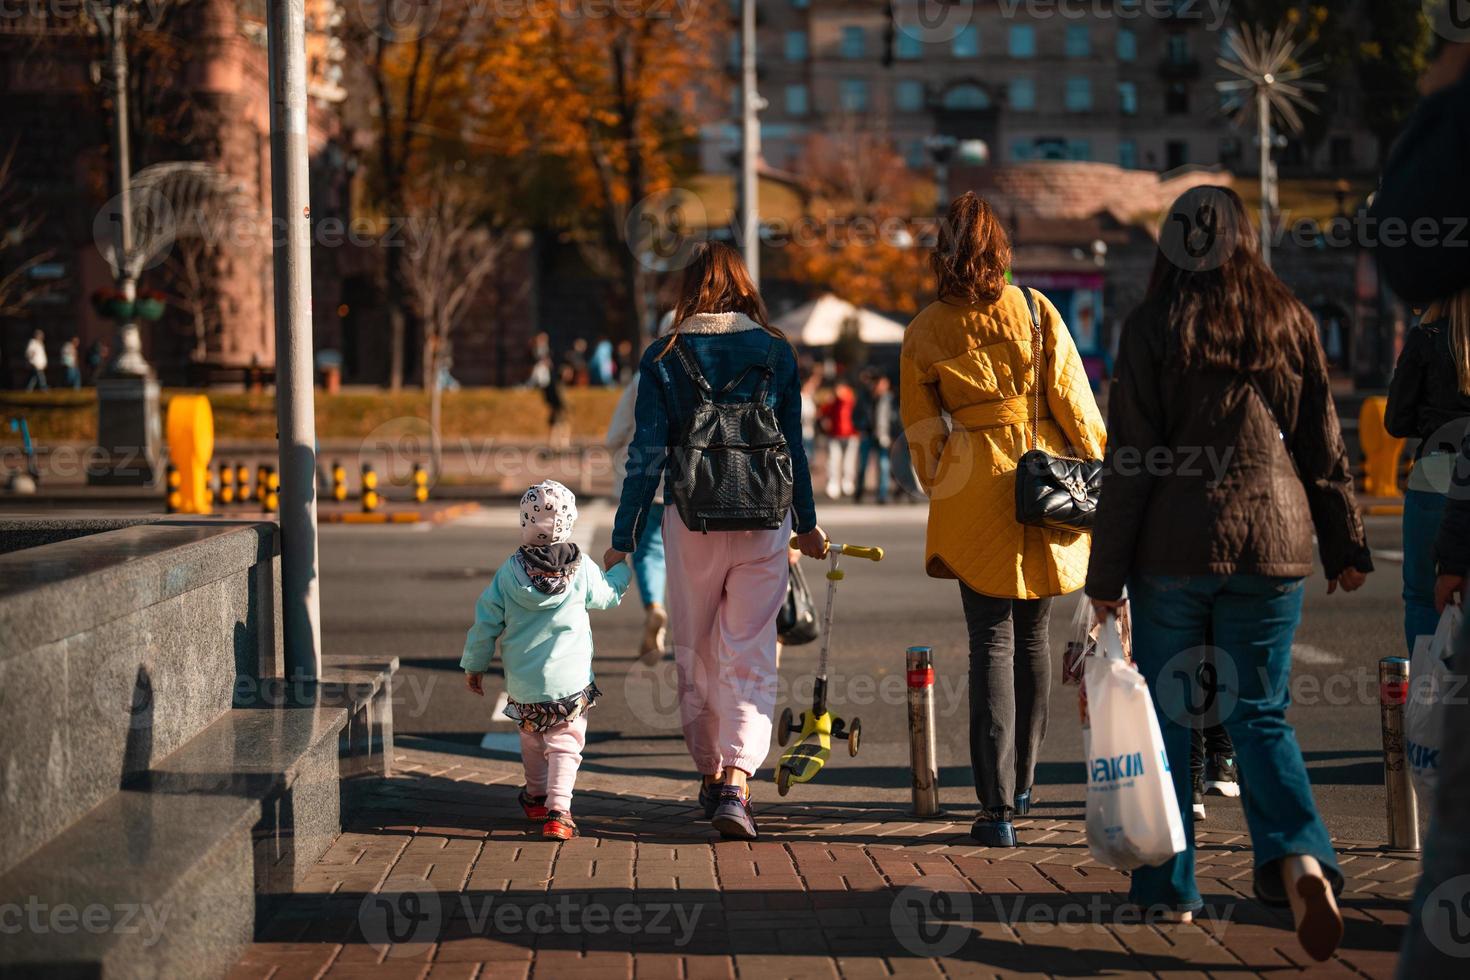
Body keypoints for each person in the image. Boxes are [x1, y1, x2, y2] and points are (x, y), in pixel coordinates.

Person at [1085, 186, 1370, 958]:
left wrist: (1103, 580)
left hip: (1173, 551)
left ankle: (1167, 889)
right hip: (1274, 546)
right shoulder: (1287, 319)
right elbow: (1323, 443)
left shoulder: (1151, 327)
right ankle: (1301, 857)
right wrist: (1344, 545)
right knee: (1261, 713)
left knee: (1174, 720)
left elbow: (1130, 464)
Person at [900, 191, 1106, 846]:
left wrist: (946, 479)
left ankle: (994, 812)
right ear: (999, 251)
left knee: (987, 639)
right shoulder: (1037, 312)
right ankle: (1024, 783)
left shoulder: (926, 329)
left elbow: (922, 435)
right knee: (1033, 639)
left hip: (973, 491)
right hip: (1043, 488)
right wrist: (1098, 470)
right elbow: (1076, 403)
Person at [606, 241, 825, 841]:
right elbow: (794, 448)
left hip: (691, 521)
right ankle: (736, 780)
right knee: (751, 651)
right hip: (765, 521)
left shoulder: (665, 354)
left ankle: (710, 773)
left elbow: (645, 453)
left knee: (696, 650)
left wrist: (624, 536)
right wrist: (805, 523)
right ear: (743, 285)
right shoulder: (775, 351)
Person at [1369, 38, 1470, 977]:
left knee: (1425, 617)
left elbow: (1399, 418)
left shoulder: (1438, 324)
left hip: (1441, 474)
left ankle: (1419, 746)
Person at [461, 481, 631, 841]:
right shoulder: (581, 568)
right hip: (569, 683)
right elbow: (607, 596)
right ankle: (559, 810)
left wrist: (475, 664)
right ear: (569, 523)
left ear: (525, 522)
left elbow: (486, 621)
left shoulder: (509, 573)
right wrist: (620, 571)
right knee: (566, 743)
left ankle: (536, 796)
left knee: (532, 738)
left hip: (524, 684)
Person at [1386, 292, 1470, 652]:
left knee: (1421, 595)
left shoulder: (1426, 338)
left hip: (1434, 470)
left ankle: (1428, 689)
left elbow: (1395, 420)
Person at [607, 312, 675, 664]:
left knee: (648, 550)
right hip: (693, 485)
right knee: (689, 557)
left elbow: (616, 433)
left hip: (649, 480)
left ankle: (654, 606)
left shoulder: (643, 376)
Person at [854, 373, 897, 505]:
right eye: (881, 384)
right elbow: (856, 415)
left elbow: (895, 419)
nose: (883, 387)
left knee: (883, 465)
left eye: (885, 384)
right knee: (862, 465)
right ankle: (859, 491)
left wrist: (892, 435)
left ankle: (882, 495)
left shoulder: (890, 399)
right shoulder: (865, 397)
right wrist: (862, 427)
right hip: (867, 435)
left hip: (883, 436)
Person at [821, 380, 859, 498]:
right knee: (833, 460)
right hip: (835, 435)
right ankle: (833, 484)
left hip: (851, 435)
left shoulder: (851, 400)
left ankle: (847, 482)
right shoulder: (832, 402)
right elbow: (823, 412)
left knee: (849, 461)